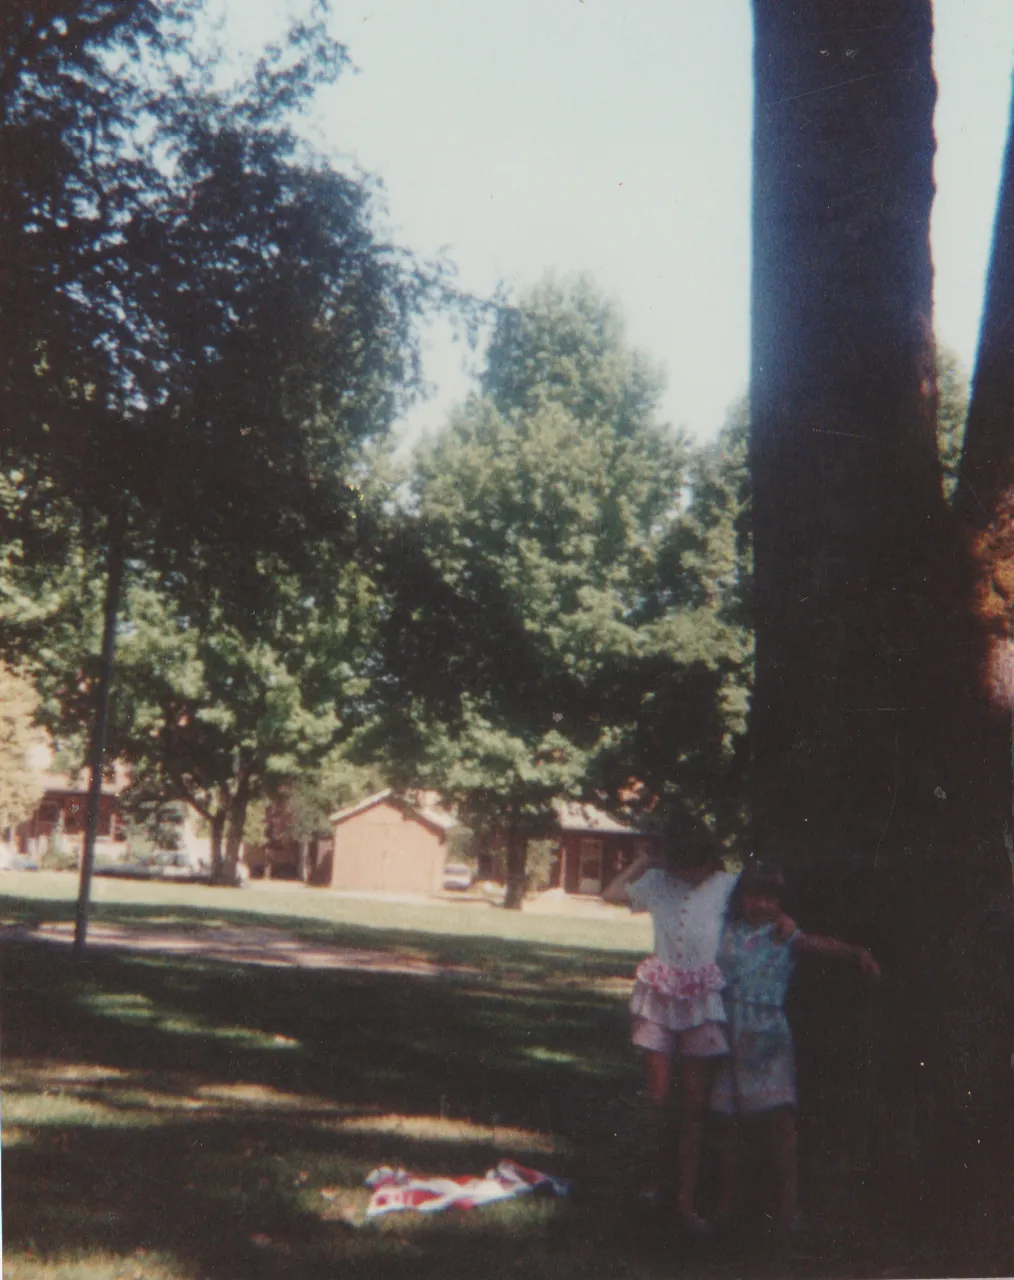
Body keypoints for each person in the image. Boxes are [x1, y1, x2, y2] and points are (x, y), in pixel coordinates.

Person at [709, 861, 881, 1233]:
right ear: (741, 899)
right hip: (729, 1034)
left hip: (769, 1036)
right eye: (754, 897)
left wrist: (857, 954)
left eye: (770, 898)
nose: (761, 905)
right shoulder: (724, 933)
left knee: (779, 1121)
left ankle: (790, 1207)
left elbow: (820, 945)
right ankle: (728, 1202)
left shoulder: (784, 934)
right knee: (731, 1124)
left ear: (780, 903)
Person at [603, 816, 739, 1232]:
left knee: (696, 1108)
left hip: (703, 1002)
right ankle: (659, 1184)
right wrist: (644, 860)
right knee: (661, 1102)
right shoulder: (658, 882)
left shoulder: (727, 885)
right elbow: (611, 893)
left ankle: (686, 1197)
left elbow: (764, 907)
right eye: (680, 864)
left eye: (694, 864)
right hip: (659, 1001)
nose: (687, 874)